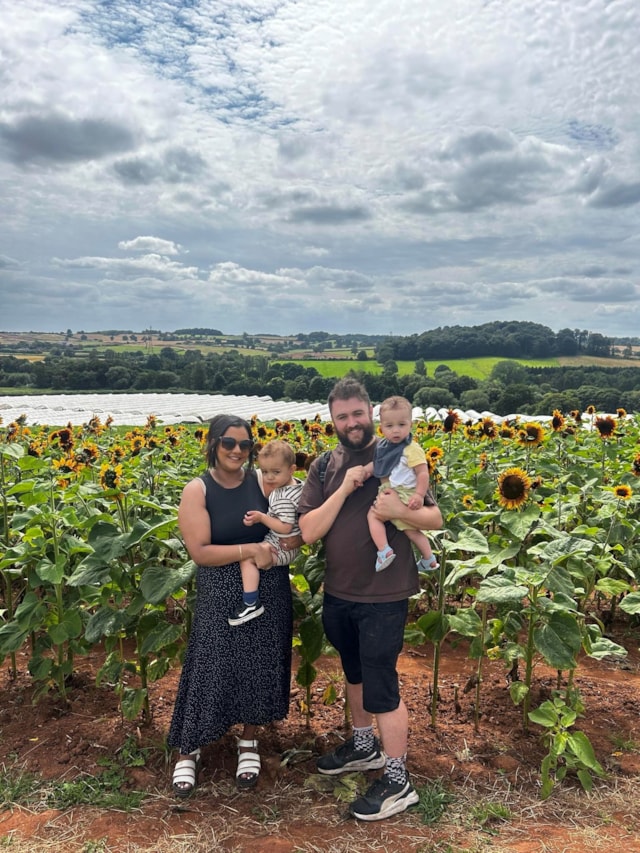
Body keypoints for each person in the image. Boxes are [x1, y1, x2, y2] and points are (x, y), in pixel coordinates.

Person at [297, 378, 443, 822]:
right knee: (354, 670)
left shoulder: (396, 452)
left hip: (384, 594)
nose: (352, 423)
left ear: (371, 414)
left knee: (381, 683)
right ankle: (365, 748)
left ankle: (398, 780)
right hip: (340, 591)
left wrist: (399, 511)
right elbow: (307, 532)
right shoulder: (324, 467)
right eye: (342, 416)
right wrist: (344, 487)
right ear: (333, 420)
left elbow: (434, 516)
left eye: (358, 414)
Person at [168, 414, 296, 798]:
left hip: (267, 587)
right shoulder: (198, 489)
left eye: (245, 445)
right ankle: (188, 750)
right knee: (210, 665)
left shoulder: (262, 480)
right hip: (220, 591)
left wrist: (294, 540)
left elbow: (291, 514)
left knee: (258, 665)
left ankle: (248, 742)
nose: (237, 451)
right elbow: (200, 552)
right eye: (229, 443)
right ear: (212, 443)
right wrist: (250, 549)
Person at [229, 439, 303, 626]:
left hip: (282, 545)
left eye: (276, 472)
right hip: (285, 543)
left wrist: (262, 518)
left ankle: (251, 602)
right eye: (265, 472)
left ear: (292, 469)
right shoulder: (297, 486)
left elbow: (285, 527)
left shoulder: (283, 497)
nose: (269, 477)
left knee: (247, 557)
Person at [364, 395, 439, 573]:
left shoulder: (411, 449)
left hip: (403, 493)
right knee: (411, 531)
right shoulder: (385, 447)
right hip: (393, 492)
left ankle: (384, 550)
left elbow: (422, 473)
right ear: (381, 427)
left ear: (410, 424)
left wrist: (419, 495)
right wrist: (365, 471)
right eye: (389, 426)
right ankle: (429, 559)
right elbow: (379, 466)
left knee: (373, 516)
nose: (396, 431)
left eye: (401, 425)